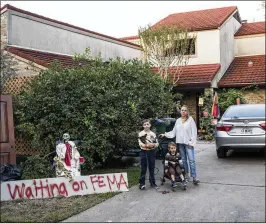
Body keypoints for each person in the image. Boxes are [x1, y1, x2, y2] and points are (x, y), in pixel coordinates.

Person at [160, 105, 200, 184]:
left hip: (189, 144)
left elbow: (194, 132)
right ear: (180, 111)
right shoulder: (178, 121)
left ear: (187, 111)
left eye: (185, 110)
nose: (183, 112)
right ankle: (186, 176)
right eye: (182, 110)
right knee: (184, 160)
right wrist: (165, 134)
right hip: (181, 144)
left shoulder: (190, 120)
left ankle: (194, 177)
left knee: (191, 161)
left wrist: (191, 142)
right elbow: (174, 132)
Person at [138, 119, 159, 190]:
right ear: (143, 126)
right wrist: (146, 146)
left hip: (151, 152)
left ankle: (152, 182)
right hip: (143, 151)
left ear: (150, 125)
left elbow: (157, 143)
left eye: (147, 124)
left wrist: (153, 145)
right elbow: (140, 143)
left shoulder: (153, 134)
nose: (146, 126)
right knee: (143, 168)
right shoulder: (140, 134)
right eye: (145, 124)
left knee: (152, 167)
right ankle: (142, 183)